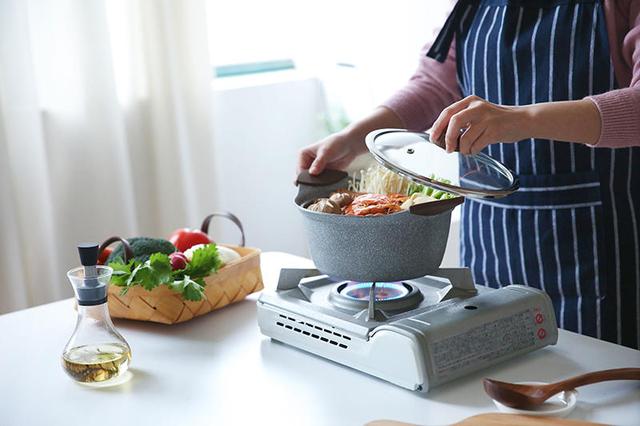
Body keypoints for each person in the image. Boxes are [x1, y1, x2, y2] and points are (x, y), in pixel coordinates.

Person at [298, 0, 640, 349]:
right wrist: (353, 139)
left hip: (600, 255)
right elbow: (435, 87)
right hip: (492, 244)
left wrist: (521, 119)